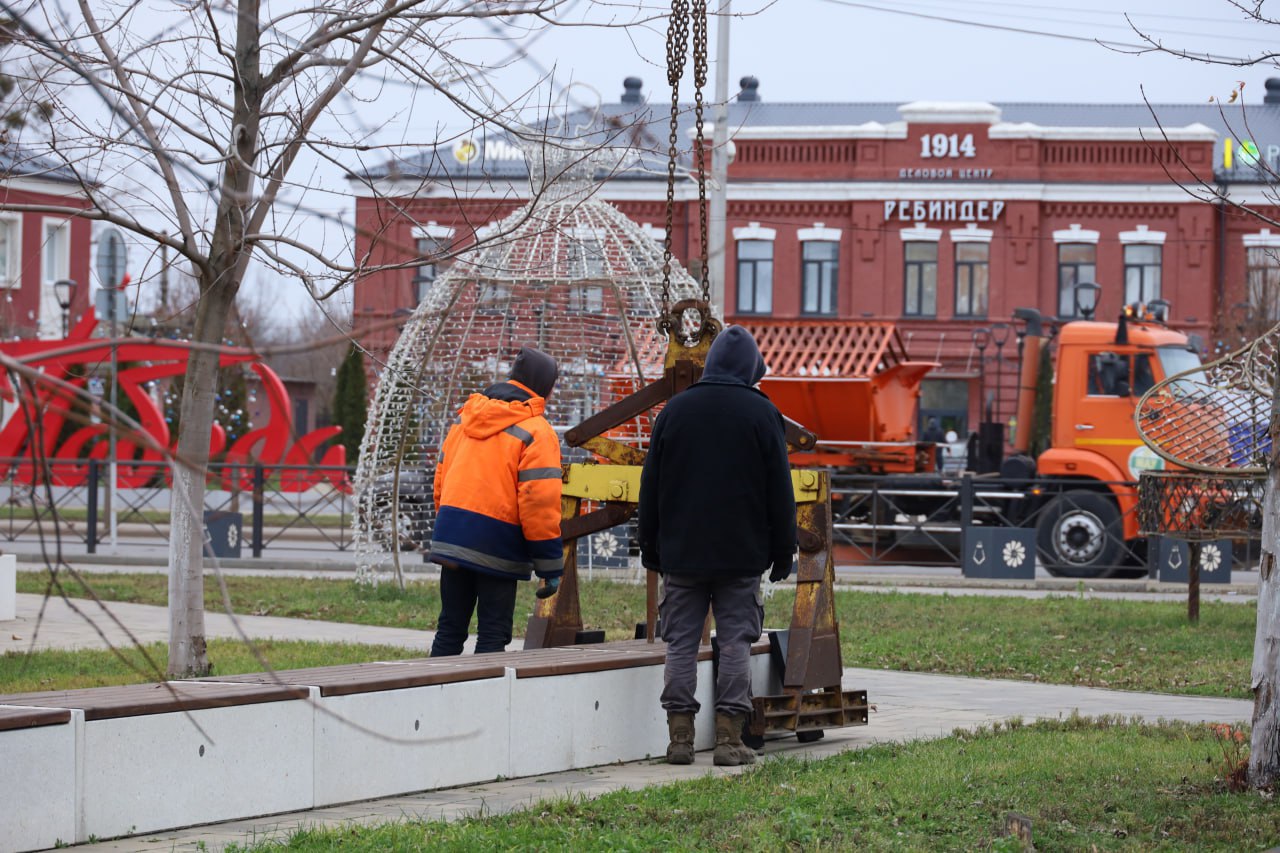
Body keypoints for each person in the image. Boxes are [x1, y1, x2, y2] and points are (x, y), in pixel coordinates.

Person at [638, 325, 797, 766]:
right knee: (734, 643)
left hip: (682, 554)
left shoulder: (675, 411)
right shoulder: (763, 414)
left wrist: (650, 546)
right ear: (750, 368)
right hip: (740, 556)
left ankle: (680, 740)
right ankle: (728, 741)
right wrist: (784, 553)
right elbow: (780, 494)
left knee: (681, 644)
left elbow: (650, 487)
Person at [428, 345, 564, 656]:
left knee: (449, 628)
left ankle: (434, 698)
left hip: (452, 535)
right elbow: (538, 503)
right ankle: (482, 703)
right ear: (544, 386)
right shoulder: (537, 431)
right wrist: (549, 564)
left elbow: (441, 479)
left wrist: (452, 526)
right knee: (493, 634)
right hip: (497, 545)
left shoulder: (465, 418)